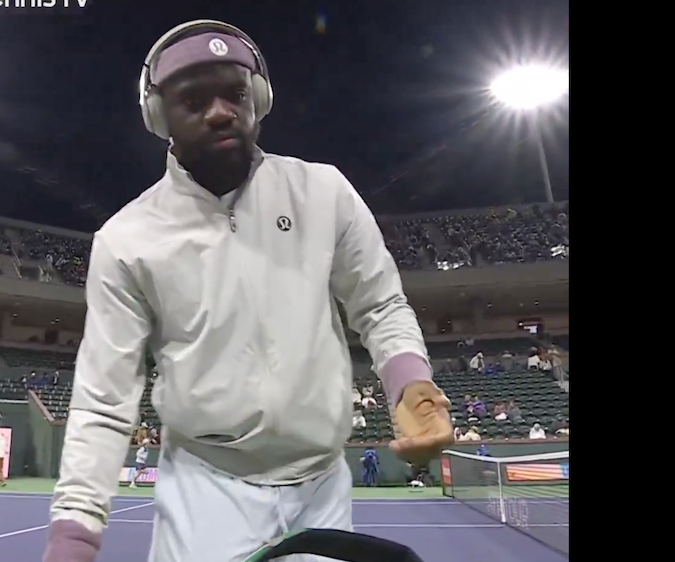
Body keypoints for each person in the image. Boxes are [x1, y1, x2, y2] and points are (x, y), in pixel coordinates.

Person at [43, 20, 453, 562]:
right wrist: (75, 536)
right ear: (159, 115)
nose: (220, 111)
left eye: (235, 93)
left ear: (257, 99)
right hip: (204, 491)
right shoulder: (126, 239)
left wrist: (411, 386)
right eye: (194, 99)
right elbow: (103, 399)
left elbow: (379, 304)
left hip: (321, 486)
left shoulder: (323, 192)